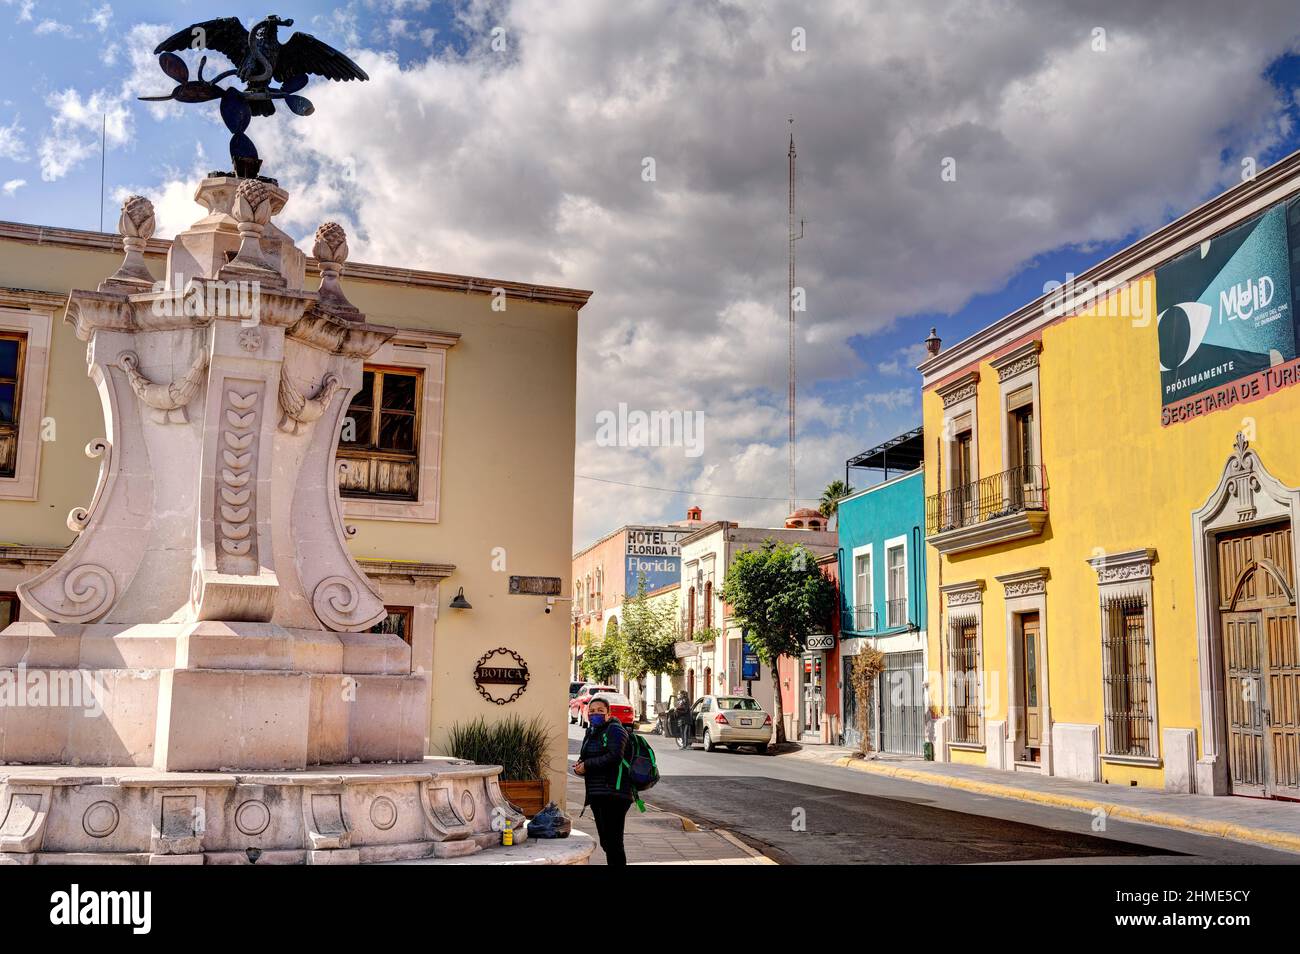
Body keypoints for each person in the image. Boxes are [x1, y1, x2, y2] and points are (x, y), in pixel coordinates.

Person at [574, 695, 635, 865]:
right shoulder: (591, 732)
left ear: (608, 714)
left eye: (600, 711)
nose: (595, 714)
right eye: (592, 711)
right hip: (598, 793)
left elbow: (615, 757)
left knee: (614, 843)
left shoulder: (616, 730)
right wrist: (581, 766)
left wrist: (588, 765)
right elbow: (587, 758)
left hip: (615, 794)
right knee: (607, 842)